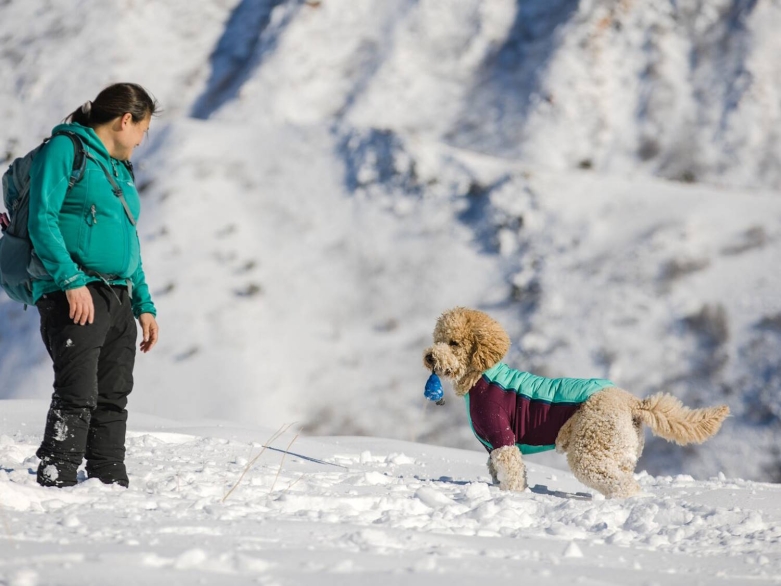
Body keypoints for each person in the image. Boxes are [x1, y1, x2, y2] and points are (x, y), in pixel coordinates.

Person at [28, 83, 160, 488]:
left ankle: (109, 483)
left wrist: (144, 304)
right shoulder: (66, 150)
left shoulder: (119, 168)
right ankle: (57, 477)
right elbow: (41, 218)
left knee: (113, 395)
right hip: (76, 293)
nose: (141, 141)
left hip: (119, 296)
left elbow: (128, 241)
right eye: (143, 130)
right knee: (78, 393)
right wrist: (70, 281)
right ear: (125, 120)